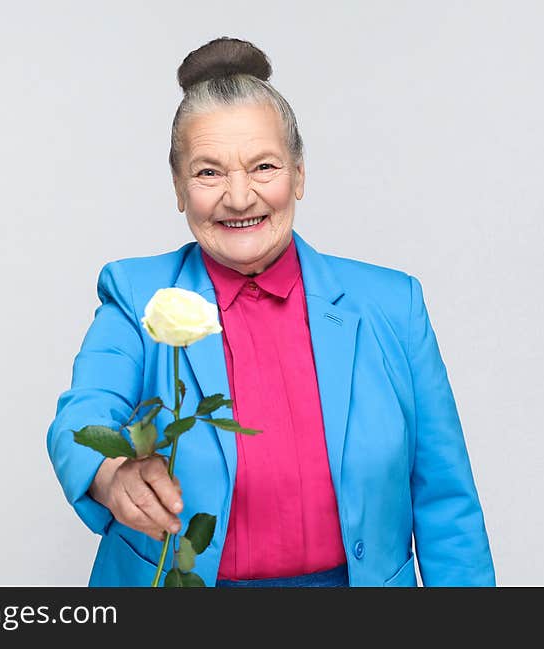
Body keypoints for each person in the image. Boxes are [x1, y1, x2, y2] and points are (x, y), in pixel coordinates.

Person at [46, 37, 495, 587]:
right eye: (209, 173)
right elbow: (82, 416)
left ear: (299, 175)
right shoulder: (137, 294)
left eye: (263, 166)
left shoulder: (392, 304)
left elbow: (446, 502)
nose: (239, 197)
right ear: (179, 188)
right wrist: (112, 475)